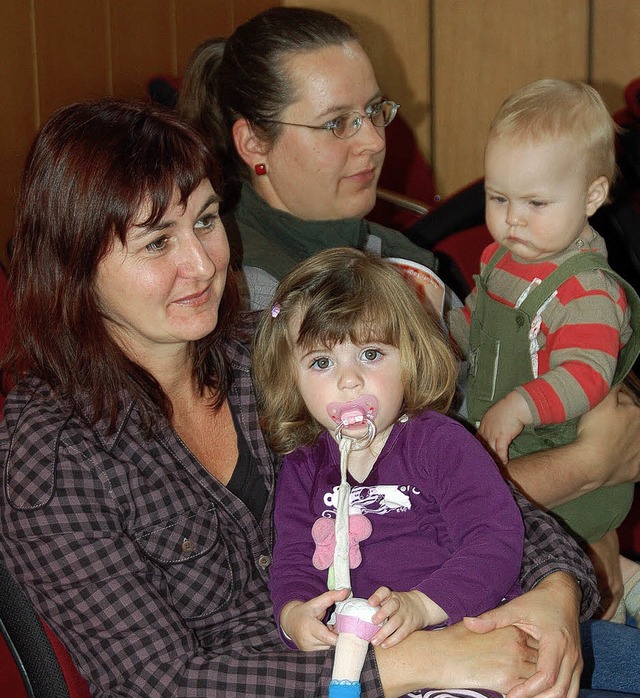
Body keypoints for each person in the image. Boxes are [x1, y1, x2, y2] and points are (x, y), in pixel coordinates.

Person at [0, 96, 601, 697]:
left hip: (439, 633)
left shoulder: (269, 352)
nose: (202, 265)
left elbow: (466, 484)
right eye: (158, 243)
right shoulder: (50, 454)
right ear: (73, 262)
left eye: (206, 221)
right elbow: (162, 682)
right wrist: (428, 660)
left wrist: (557, 595)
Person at [253, 247, 525, 696]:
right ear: (291, 380)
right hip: (363, 662)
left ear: (410, 357)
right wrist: (295, 614)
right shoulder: (303, 466)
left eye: (372, 354)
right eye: (321, 363)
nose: (349, 380)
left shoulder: (439, 443)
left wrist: (422, 605)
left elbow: (495, 539)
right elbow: (294, 559)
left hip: (462, 640)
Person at [447, 79, 640, 626]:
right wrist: (441, 346)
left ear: (593, 196)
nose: (513, 219)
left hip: (570, 489)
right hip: (513, 451)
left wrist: (523, 406)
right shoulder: (502, 259)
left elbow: (586, 373)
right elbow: (473, 323)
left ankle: (615, 604)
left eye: (535, 203)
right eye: (498, 198)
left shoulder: (587, 291)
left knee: (578, 607)